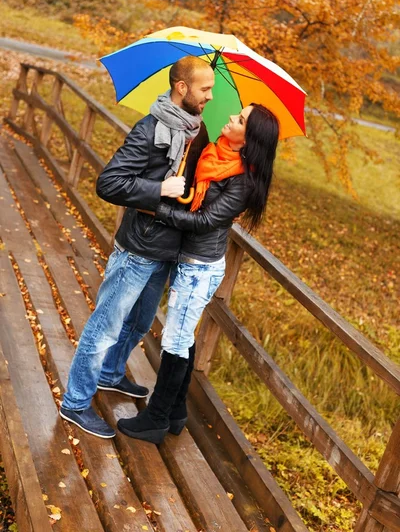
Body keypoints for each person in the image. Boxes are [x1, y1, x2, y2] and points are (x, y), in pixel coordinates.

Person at [60, 56, 215, 438]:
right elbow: (109, 183)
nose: (210, 96)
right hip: (137, 249)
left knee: (140, 323)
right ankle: (75, 403)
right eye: (205, 89)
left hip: (167, 249)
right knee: (106, 325)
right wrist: (159, 188)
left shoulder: (198, 130)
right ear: (182, 88)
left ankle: (111, 374)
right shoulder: (150, 129)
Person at [117, 103, 280, 444]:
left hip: (199, 267)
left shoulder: (241, 179)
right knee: (183, 337)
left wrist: (158, 210)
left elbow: (205, 221)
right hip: (189, 261)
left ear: (249, 139)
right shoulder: (214, 154)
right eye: (235, 113)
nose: (231, 118)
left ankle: (156, 418)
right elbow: (193, 197)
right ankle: (176, 413)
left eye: (239, 120)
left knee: (175, 341)